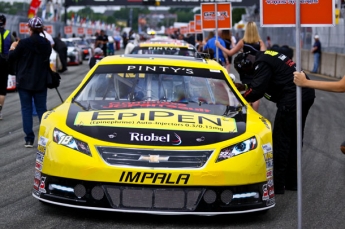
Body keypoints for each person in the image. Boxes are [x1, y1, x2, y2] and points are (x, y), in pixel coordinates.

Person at [233, 50, 315, 194]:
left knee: (281, 139)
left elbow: (257, 90)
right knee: (294, 137)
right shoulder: (267, 56)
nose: (248, 76)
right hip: (305, 93)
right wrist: (245, 87)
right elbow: (268, 81)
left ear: (248, 64)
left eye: (247, 73)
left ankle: (278, 184)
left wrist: (237, 99)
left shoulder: (262, 63)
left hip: (292, 97)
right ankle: (292, 181)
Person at [8, 17, 52, 147]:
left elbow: (12, 57)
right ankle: (44, 138)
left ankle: (29, 139)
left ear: (30, 28)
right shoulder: (46, 43)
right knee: (42, 110)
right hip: (40, 81)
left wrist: (12, 47)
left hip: (24, 81)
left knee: (26, 109)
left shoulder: (23, 43)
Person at [215, 21, 266, 111]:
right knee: (256, 91)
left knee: (247, 90)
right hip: (257, 70)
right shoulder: (260, 42)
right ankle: (255, 113)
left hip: (246, 70)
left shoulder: (242, 42)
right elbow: (264, 56)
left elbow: (230, 53)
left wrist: (220, 46)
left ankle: (248, 111)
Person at [0, 14, 15, 120]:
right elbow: (14, 49)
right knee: (2, 89)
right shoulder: (9, 34)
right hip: (4, 64)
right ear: (5, 23)